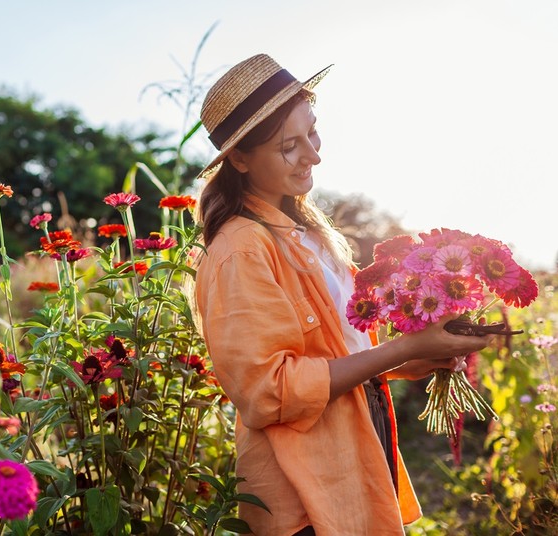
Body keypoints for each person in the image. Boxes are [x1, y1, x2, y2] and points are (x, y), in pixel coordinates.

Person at [192, 53, 492, 535]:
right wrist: (404, 346)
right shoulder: (241, 250)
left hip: (353, 447)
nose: (313, 154)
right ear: (241, 159)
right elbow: (270, 392)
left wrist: (406, 361)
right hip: (302, 483)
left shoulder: (303, 230)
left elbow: (334, 355)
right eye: (289, 146)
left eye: (312, 131)